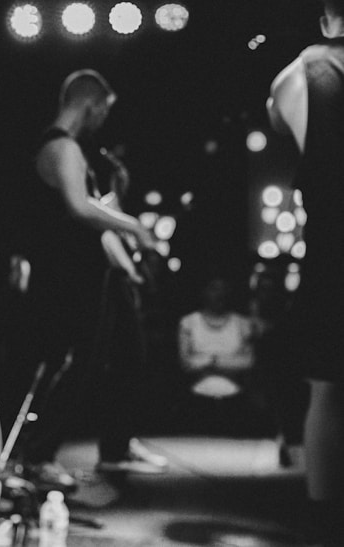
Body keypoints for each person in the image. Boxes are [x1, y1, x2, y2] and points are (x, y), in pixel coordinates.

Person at [16, 69, 167, 486]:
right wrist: (134, 226)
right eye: (103, 110)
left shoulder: (69, 148)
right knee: (72, 362)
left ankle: (53, 452)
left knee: (94, 358)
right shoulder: (61, 146)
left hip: (83, 272)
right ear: (93, 104)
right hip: (67, 274)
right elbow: (80, 208)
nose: (103, 119)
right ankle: (37, 455)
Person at [268, 0, 344, 542]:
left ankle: (325, 521)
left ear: (327, 19)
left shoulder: (301, 75)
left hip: (332, 247)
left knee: (328, 390)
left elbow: (278, 122)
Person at [177, 276, 274, 438]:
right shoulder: (188, 322)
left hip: (236, 401)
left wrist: (210, 360)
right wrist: (225, 361)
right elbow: (187, 363)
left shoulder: (242, 324)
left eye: (224, 289)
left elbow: (248, 362)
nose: (219, 294)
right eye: (214, 288)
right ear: (204, 292)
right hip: (196, 401)